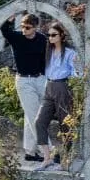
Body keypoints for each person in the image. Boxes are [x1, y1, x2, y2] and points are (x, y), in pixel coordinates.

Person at [0, 11, 49, 160]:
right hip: (24, 80)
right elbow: (4, 30)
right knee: (36, 117)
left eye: (27, 27)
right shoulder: (17, 37)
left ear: (35, 27)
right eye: (22, 26)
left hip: (40, 79)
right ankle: (49, 152)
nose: (24, 30)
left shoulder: (42, 39)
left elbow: (45, 58)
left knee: (31, 115)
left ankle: (30, 152)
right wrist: (11, 17)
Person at [35, 24, 81, 170]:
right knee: (39, 122)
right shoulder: (48, 51)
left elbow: (77, 73)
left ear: (61, 35)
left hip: (62, 87)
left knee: (65, 124)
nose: (50, 38)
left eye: (54, 35)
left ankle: (66, 160)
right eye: (49, 35)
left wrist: (77, 73)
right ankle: (47, 157)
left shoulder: (69, 53)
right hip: (49, 87)